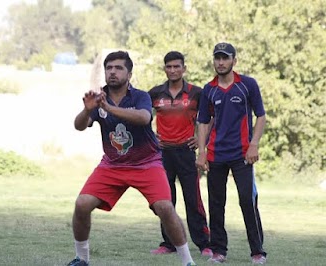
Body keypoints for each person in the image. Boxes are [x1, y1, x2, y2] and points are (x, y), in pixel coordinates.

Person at [67, 51, 196, 266]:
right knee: (82, 204)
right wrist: (86, 110)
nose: (113, 72)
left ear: (129, 73)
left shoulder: (140, 96)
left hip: (147, 163)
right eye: (109, 68)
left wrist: (110, 108)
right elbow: (79, 126)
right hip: (112, 165)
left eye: (118, 68)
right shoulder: (98, 98)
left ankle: (188, 262)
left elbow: (144, 118)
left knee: (165, 207)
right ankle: (81, 259)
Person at [195, 42, 267, 264]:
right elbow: (203, 122)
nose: (221, 62)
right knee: (217, 204)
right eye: (217, 58)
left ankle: (257, 252)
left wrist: (254, 144)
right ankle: (219, 251)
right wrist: (201, 152)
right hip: (216, 155)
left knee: (247, 200)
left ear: (234, 61)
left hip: (242, 154)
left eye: (225, 58)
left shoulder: (247, 85)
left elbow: (261, 116)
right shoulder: (209, 89)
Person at [148, 51, 212, 257]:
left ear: (184, 68)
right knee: (166, 201)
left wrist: (203, 139)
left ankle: (204, 244)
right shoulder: (155, 93)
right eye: (169, 66)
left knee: (193, 200)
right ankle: (169, 244)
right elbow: (141, 117)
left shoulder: (196, 93)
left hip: (186, 153)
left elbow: (211, 117)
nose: (173, 70)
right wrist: (150, 137)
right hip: (162, 154)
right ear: (164, 69)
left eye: (177, 66)